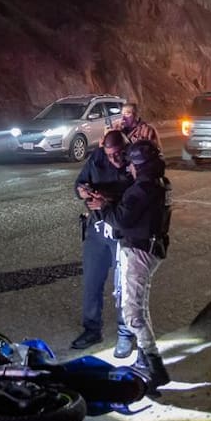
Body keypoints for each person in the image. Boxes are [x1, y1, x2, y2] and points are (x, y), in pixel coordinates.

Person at [88, 139, 171, 391]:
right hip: (149, 248)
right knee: (138, 305)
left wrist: (102, 207)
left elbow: (122, 220)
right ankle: (146, 359)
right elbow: (133, 209)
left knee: (132, 313)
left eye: (132, 165)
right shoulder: (158, 184)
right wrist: (110, 202)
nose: (128, 169)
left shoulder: (143, 188)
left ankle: (156, 367)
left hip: (139, 250)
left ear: (139, 165)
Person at [72, 129, 136, 354]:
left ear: (126, 148)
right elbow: (79, 183)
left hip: (123, 231)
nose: (114, 159)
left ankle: (125, 333)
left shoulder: (135, 161)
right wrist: (83, 192)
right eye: (109, 155)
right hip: (97, 230)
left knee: (123, 287)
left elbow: (140, 198)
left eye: (118, 154)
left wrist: (106, 201)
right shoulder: (98, 157)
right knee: (91, 282)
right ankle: (92, 329)